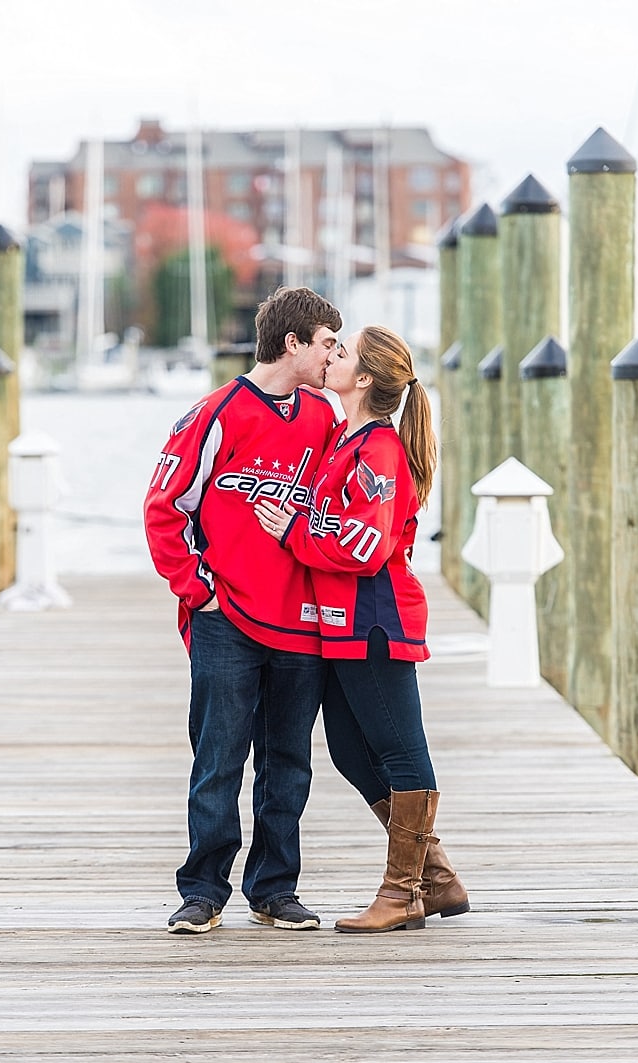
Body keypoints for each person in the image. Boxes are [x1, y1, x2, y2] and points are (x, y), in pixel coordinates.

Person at [254, 325, 467, 933]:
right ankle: (438, 877)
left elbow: (367, 545)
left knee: (402, 752)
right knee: (350, 748)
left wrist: (291, 531)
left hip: (375, 619)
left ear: (366, 378)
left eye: (341, 354)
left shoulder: (377, 450)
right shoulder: (345, 443)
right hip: (339, 622)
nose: (331, 358)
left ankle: (403, 894)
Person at [144, 286, 342, 934]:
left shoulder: (325, 416)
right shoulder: (216, 413)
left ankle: (274, 887)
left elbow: (344, 503)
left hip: (300, 621)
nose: (332, 355)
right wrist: (198, 590)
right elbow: (164, 508)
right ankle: (203, 889)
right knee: (218, 759)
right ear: (293, 343)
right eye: (326, 343)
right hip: (226, 619)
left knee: (288, 763)